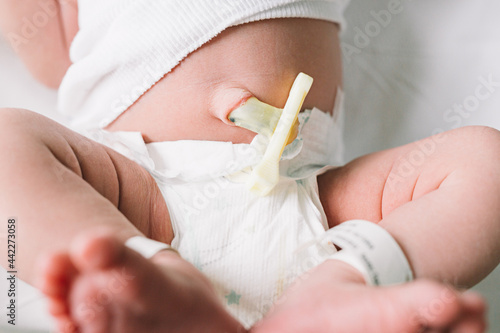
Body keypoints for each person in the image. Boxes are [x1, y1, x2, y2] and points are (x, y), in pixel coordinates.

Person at [0, 1, 499, 332]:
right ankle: (151, 273)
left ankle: (341, 286)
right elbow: (51, 56)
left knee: (487, 165)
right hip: (141, 194)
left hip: (319, 208)